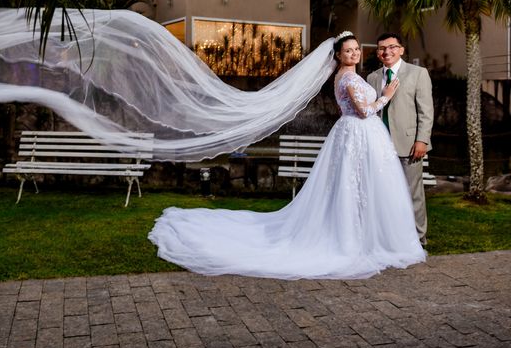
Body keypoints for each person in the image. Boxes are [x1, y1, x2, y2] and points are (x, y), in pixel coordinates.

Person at [148, 32, 425, 280]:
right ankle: (356, 239)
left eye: (356, 49)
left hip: (358, 135)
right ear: (338, 55)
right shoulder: (349, 77)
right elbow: (364, 111)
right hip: (358, 132)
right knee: (352, 186)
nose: (354, 53)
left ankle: (365, 235)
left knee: (354, 187)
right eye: (348, 50)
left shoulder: (348, 76)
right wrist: (386, 96)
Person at [367, 33, 433, 246]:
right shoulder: (372, 78)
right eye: (381, 48)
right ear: (377, 52)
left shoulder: (417, 74)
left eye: (392, 47)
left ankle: (418, 239)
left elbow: (426, 111)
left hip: (409, 145)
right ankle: (391, 238)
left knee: (412, 195)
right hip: (380, 146)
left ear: (401, 49)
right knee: (385, 195)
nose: (386, 52)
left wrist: (422, 140)